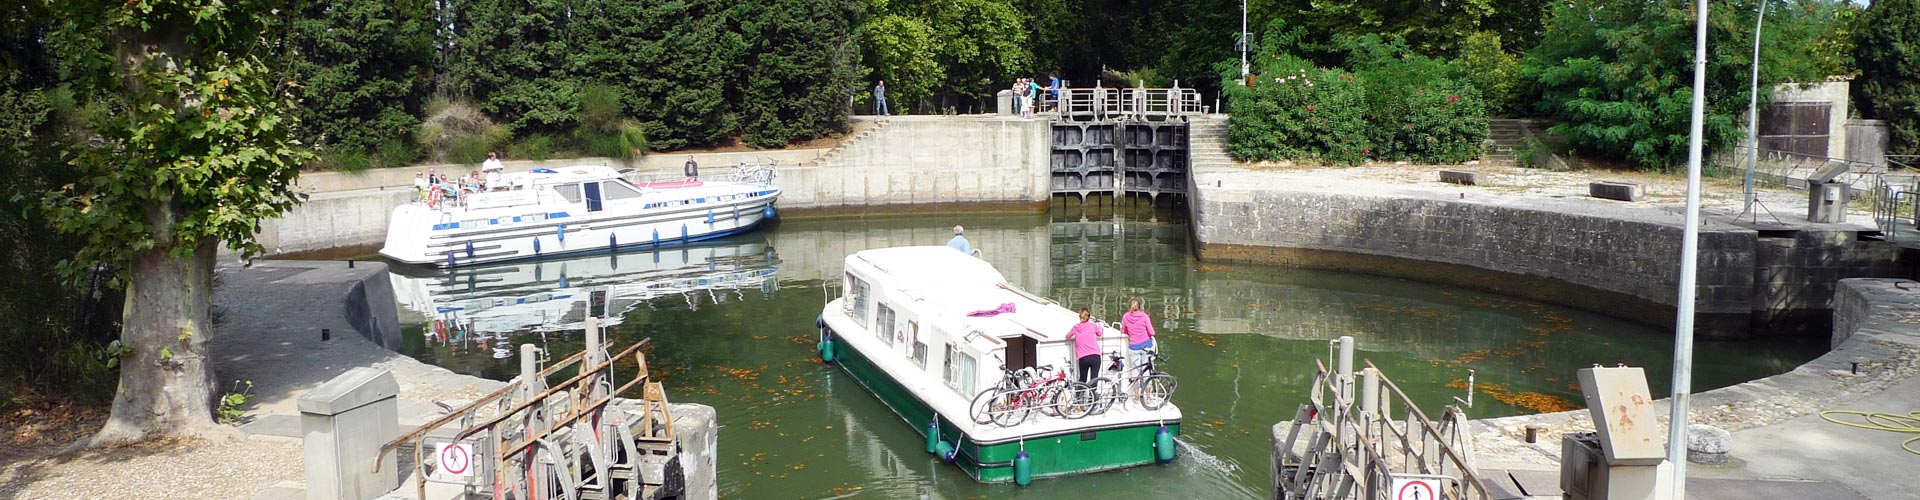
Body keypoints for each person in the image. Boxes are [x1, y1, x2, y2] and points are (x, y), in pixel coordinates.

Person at [1121, 297, 1156, 377]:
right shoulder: (1144, 316)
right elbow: (1152, 332)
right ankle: (1147, 389)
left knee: (1135, 372)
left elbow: (1124, 331)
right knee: (1146, 372)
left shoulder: (1126, 316)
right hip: (1146, 347)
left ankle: (1135, 390)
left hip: (1133, 347)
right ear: (1140, 306)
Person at [1069, 308, 1102, 385]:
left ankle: (1079, 395)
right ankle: (1092, 396)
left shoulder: (1076, 327)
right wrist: (1100, 326)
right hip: (1095, 356)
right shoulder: (1093, 326)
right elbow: (1100, 333)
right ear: (1089, 317)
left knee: (1082, 378)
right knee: (1094, 379)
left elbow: (1067, 336)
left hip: (1083, 358)